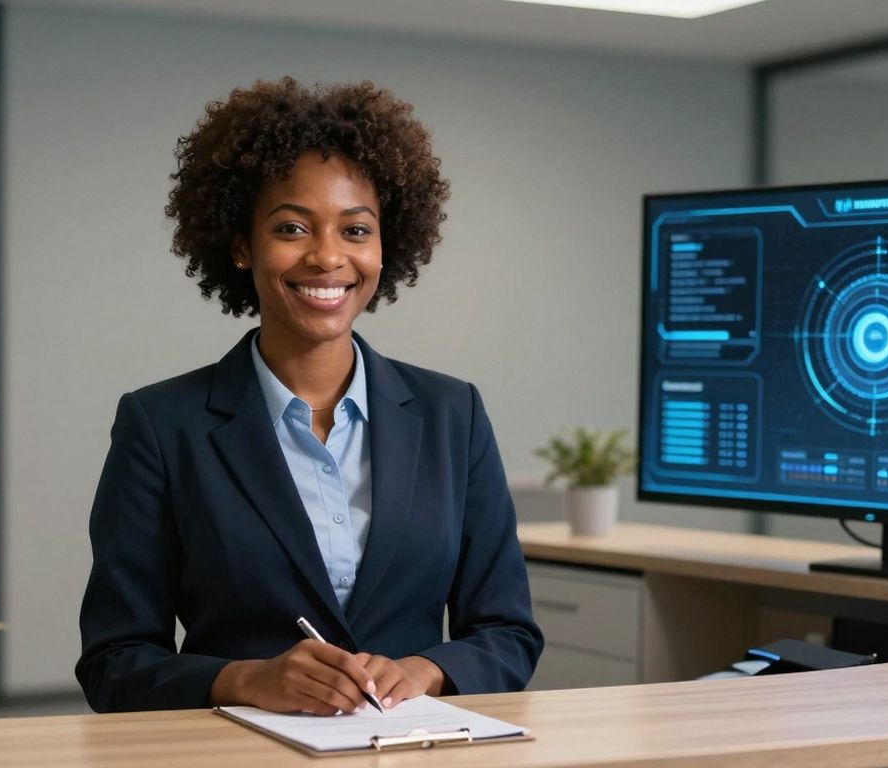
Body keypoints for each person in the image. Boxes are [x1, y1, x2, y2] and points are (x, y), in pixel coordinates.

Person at [76, 77, 543, 714]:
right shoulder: (161, 425)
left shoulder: (451, 415)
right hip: (239, 755)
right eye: (292, 228)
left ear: (386, 245)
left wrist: (426, 669)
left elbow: (508, 633)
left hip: (410, 753)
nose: (328, 258)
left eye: (356, 231)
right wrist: (244, 680)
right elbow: (114, 661)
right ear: (241, 245)